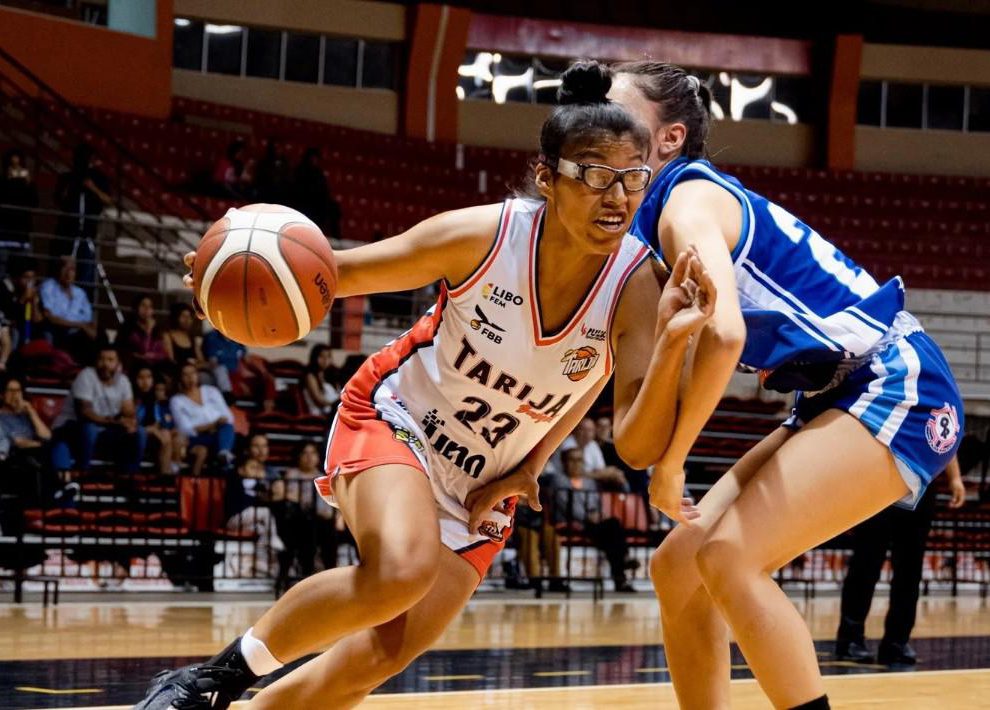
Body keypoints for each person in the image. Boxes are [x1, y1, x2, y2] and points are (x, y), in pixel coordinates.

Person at [133, 62, 716, 709]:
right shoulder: (483, 236)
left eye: (633, 178)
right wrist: (228, 273)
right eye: (597, 175)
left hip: (483, 480)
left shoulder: (637, 286)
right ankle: (207, 683)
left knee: (376, 658)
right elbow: (332, 273)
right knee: (399, 573)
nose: (618, 197)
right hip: (398, 419)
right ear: (548, 177)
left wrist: (665, 353)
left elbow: (621, 426)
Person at [603, 59, 965, 710]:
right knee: (676, 568)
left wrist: (673, 464)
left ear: (669, 138)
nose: (600, 118)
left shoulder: (685, 202)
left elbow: (727, 336)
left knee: (729, 558)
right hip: (839, 391)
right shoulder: (656, 224)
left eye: (617, 109)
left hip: (893, 379)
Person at [835, 456, 966, 666]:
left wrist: (955, 477)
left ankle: (897, 642)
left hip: (921, 483)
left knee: (910, 570)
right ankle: (850, 639)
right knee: (866, 564)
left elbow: (946, 437)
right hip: (880, 477)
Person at [543, 446, 637, 592]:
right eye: (572, 460)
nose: (576, 464)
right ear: (564, 462)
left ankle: (621, 575)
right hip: (571, 523)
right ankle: (622, 572)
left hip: (593, 525)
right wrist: (589, 517)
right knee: (612, 532)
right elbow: (568, 506)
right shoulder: (559, 481)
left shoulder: (589, 482)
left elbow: (596, 503)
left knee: (612, 529)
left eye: (579, 460)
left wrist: (597, 515)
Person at [50, 343, 146, 474]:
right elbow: (85, 412)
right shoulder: (86, 376)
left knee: (140, 432)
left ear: (118, 364)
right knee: (90, 429)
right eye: (101, 359)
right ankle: (83, 472)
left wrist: (130, 422)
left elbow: (128, 410)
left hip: (107, 427)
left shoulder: (123, 380)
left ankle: (130, 476)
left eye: (110, 360)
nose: (105, 364)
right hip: (72, 426)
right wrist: (114, 422)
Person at [54, 143, 112, 290]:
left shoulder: (99, 178)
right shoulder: (67, 177)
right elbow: (58, 199)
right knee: (65, 269)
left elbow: (108, 200)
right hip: (68, 232)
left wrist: (93, 188)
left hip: (88, 232)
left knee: (86, 271)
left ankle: (83, 298)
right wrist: (71, 185)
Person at [169, 363, 236, 477]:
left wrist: (215, 425)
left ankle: (223, 454)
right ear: (180, 378)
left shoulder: (211, 391)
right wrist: (213, 424)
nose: (190, 377)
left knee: (228, 428)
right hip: (197, 438)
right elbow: (186, 429)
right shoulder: (177, 400)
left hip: (219, 432)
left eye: (193, 373)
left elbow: (228, 416)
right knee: (222, 438)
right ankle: (224, 457)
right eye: (185, 375)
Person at [0, 375, 57, 506]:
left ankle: (55, 494)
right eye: (11, 390)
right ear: (2, 395)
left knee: (52, 448)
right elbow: (18, 442)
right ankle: (54, 494)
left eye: (18, 390)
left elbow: (47, 436)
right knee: (37, 457)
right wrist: (39, 444)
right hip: (13, 458)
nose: (15, 395)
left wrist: (31, 411)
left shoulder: (25, 416)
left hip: (35, 455)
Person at [39, 255, 97, 362]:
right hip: (58, 331)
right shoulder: (48, 287)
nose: (68, 273)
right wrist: (80, 325)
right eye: (64, 268)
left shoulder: (80, 293)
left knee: (100, 336)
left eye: (72, 269)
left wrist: (91, 330)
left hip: (79, 332)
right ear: (57, 270)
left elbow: (89, 320)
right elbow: (49, 317)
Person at [202, 326, 276, 409]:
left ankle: (268, 411)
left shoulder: (237, 336)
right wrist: (239, 384)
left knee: (268, 379)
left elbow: (247, 360)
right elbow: (213, 364)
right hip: (225, 377)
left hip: (238, 375)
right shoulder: (212, 337)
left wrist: (262, 372)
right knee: (221, 372)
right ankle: (229, 402)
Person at [133, 366, 184, 475]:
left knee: (169, 434)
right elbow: (131, 423)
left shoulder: (153, 400)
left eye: (148, 377)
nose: (145, 382)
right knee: (163, 435)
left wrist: (156, 429)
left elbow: (157, 422)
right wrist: (150, 429)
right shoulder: (131, 397)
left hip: (149, 434)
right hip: (133, 432)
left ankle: (167, 473)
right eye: (141, 378)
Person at [562, 416, 628, 491]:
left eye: (590, 430)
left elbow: (601, 469)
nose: (586, 433)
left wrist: (608, 473)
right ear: (576, 430)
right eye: (583, 429)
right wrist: (603, 473)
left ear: (594, 432)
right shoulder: (567, 444)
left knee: (619, 478)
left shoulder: (593, 444)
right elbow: (574, 472)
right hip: (567, 483)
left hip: (589, 483)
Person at [0, 148, 39, 272]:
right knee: (2, 267)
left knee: (23, 268)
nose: (16, 171)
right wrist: (7, 180)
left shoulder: (27, 184)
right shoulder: (2, 182)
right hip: (4, 232)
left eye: (18, 167)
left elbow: (35, 203)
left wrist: (29, 183)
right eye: (12, 166)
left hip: (23, 232)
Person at [290, 147, 341, 240]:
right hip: (302, 203)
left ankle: (334, 239)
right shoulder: (299, 171)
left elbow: (324, 192)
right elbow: (296, 190)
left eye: (316, 158)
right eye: (312, 158)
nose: (314, 161)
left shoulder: (319, 174)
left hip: (317, 205)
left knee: (333, 208)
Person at [596, 414, 648, 493]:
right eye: (600, 426)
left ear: (610, 428)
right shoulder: (593, 445)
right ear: (595, 428)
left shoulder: (616, 446)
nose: (603, 429)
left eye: (606, 426)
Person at [163, 302, 214, 382]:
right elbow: (170, 360)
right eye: (184, 316)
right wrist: (187, 364)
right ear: (176, 317)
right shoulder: (168, 335)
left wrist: (195, 365)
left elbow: (201, 361)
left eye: (189, 317)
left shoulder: (191, 338)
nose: (187, 320)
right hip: (178, 372)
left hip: (194, 372)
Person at [118, 295, 168, 373]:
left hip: (155, 366)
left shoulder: (158, 328)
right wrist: (148, 331)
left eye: (150, 306)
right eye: (143, 305)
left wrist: (153, 356)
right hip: (135, 366)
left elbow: (163, 353)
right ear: (136, 307)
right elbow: (144, 351)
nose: (147, 309)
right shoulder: (128, 328)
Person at [302, 344, 339, 416]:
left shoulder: (331, 375)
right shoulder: (310, 376)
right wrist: (336, 405)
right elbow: (318, 400)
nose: (325, 360)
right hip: (321, 413)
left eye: (328, 357)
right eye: (321, 356)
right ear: (314, 357)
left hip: (334, 410)